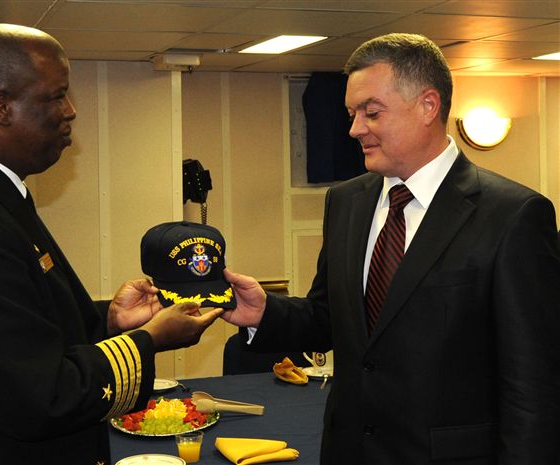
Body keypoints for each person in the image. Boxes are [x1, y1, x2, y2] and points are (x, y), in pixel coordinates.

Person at [0, 24, 222, 465]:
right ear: (2, 108)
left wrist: (110, 322)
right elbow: (38, 395)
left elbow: (21, 324)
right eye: (55, 96)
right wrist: (148, 340)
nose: (70, 111)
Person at [222, 33, 560, 464]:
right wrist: (265, 312)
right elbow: (332, 318)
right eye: (352, 113)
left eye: (371, 113)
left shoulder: (513, 215)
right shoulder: (346, 201)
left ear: (427, 106)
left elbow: (533, 387)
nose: (354, 128)